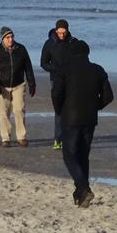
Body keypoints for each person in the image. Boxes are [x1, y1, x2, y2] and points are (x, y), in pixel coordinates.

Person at [52, 39, 114, 207]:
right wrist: (95, 106)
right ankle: (80, 194)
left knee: (69, 154)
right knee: (82, 155)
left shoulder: (64, 69)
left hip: (70, 118)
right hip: (89, 119)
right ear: (87, 53)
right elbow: (108, 96)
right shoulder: (97, 69)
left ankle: (84, 188)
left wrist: (60, 110)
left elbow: (56, 93)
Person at [0, 26, 36, 148]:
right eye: (7, 37)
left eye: (12, 36)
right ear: (3, 39)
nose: (10, 39)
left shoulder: (21, 49)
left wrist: (32, 83)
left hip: (19, 85)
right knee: (4, 112)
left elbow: (28, 67)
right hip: (2, 86)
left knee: (19, 110)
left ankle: (21, 137)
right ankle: (5, 138)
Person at [40, 19, 80, 151]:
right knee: (59, 110)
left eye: (64, 32)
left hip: (72, 80)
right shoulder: (50, 43)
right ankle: (58, 139)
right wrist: (55, 68)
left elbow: (81, 59)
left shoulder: (73, 42)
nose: (61, 35)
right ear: (56, 30)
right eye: (59, 32)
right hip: (56, 80)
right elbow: (43, 63)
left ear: (67, 30)